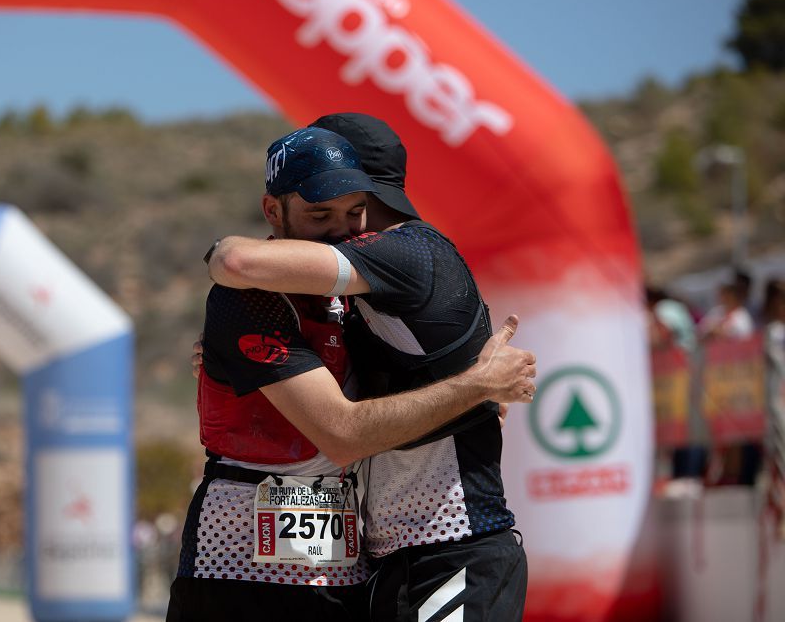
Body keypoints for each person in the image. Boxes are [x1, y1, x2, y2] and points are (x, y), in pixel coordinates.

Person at [168, 126, 536, 622]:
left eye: (353, 212)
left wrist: (483, 392)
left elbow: (459, 402)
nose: (340, 229)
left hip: (347, 573)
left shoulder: (371, 285)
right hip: (238, 563)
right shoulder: (253, 293)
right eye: (320, 215)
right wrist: (480, 388)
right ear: (273, 210)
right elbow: (348, 429)